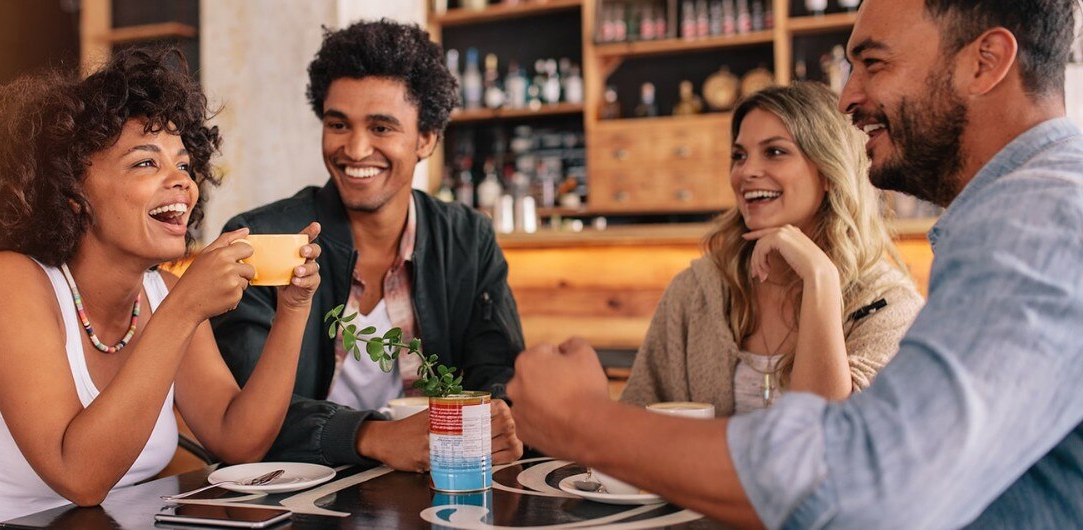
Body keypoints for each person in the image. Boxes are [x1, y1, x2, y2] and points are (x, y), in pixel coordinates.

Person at [507, 0, 1083, 527]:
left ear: (985, 63)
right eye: (739, 155)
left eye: (874, 63)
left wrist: (584, 422)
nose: (848, 98)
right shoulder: (1023, 215)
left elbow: (861, 489)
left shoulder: (1036, 221)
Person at [0, 49, 321, 529]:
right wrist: (185, 309)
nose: (181, 181)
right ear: (72, 192)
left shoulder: (162, 290)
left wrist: (294, 309)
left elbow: (238, 439)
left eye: (184, 165)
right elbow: (79, 478)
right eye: (145, 163)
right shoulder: (8, 281)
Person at [211, 20, 524, 472]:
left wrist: (496, 425)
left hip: (439, 487)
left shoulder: (468, 239)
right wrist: (372, 436)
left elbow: (499, 375)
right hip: (295, 493)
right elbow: (242, 414)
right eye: (338, 124)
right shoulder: (262, 240)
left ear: (427, 138)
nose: (355, 149)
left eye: (381, 128)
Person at [621, 82, 922, 415]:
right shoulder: (695, 293)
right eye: (739, 156)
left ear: (828, 171)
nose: (746, 172)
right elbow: (632, 422)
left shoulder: (889, 308)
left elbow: (826, 437)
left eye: (775, 152)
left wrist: (819, 277)